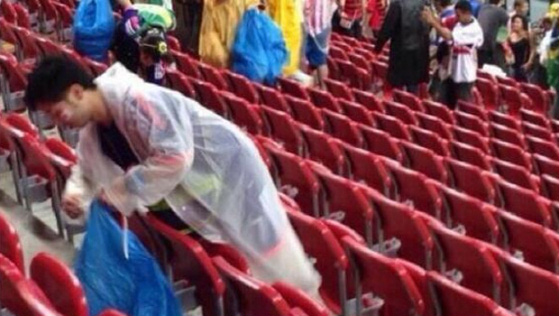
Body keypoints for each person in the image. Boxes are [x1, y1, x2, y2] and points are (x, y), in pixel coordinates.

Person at [23, 56, 322, 300]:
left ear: (77, 92)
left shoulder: (137, 101)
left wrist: (122, 189)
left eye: (55, 111)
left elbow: (174, 158)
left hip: (230, 172)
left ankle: (304, 300)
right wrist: (76, 194)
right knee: (235, 263)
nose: (55, 121)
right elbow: (86, 170)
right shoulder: (94, 129)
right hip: (194, 190)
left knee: (268, 249)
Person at [423, 0, 484, 107]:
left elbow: (449, 36)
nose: (456, 17)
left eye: (458, 15)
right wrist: (432, 17)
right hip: (453, 73)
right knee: (443, 104)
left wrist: (432, 22)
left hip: (465, 77)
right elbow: (444, 29)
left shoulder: (474, 30)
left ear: (467, 13)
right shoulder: (460, 24)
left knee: (465, 108)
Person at [374, 0, 431, 94]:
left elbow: (387, 29)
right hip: (419, 51)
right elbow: (429, 25)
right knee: (413, 84)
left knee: (397, 85)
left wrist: (378, 48)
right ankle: (411, 105)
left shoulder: (397, 4)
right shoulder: (424, 2)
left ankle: (398, 104)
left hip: (401, 51)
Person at [111, 0, 176, 74]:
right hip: (137, 12)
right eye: (148, 61)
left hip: (164, 16)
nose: (148, 65)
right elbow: (120, 28)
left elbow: (164, 50)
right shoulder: (132, 27)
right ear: (143, 54)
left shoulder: (162, 44)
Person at [303, 0, 337, 88]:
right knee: (315, 59)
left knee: (319, 60)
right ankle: (319, 87)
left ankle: (322, 89)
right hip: (313, 26)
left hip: (317, 26)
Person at [477, 0, 508, 67]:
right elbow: (503, 34)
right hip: (491, 47)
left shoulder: (482, 9)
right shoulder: (502, 12)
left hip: (479, 45)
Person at [506, 14, 531, 81]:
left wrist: (529, 62)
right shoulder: (509, 36)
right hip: (511, 66)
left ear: (523, 24)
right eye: (514, 22)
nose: (515, 24)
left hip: (522, 67)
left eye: (517, 22)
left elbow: (532, 50)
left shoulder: (527, 36)